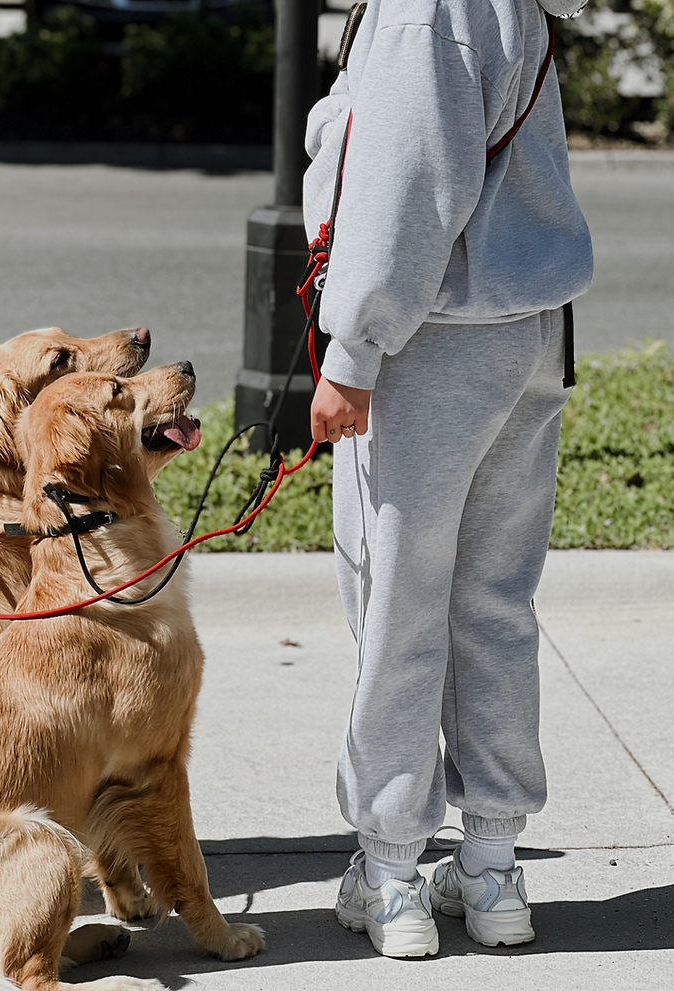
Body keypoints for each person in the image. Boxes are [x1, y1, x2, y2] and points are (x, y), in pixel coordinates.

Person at [303, 0, 593, 958]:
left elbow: (408, 180)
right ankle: (492, 862)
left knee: (400, 605)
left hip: (432, 345)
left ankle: (391, 871)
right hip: (529, 328)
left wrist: (353, 350)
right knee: (495, 604)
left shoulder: (427, 8)